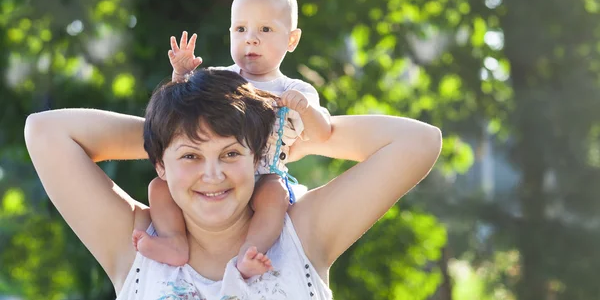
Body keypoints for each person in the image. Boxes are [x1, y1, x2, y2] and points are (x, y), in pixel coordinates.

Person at [24, 68, 442, 299]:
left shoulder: (302, 234)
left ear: (253, 154)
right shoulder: (135, 244)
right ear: (161, 164)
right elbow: (44, 132)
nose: (212, 174)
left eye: (230, 153)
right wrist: (168, 132)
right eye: (191, 157)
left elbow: (419, 142)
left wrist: (289, 139)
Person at [133, 0, 332, 278]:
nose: (251, 39)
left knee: (274, 197)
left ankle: (250, 251)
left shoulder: (295, 89)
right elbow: (181, 115)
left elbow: (322, 135)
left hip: (265, 174)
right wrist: (182, 75)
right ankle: (174, 241)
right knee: (158, 187)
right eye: (241, 29)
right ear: (230, 34)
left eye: (265, 30)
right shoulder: (221, 79)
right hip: (218, 167)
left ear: (291, 40)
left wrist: (304, 108)